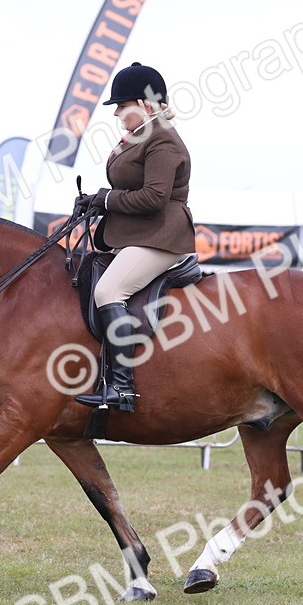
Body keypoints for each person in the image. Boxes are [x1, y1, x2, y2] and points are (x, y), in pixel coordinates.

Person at [74, 62, 196, 413]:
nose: (116, 113)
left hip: (162, 236)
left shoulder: (162, 138)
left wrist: (106, 199)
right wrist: (96, 202)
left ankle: (122, 388)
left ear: (144, 104)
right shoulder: (140, 136)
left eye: (121, 106)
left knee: (108, 290)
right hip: (140, 234)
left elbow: (155, 197)